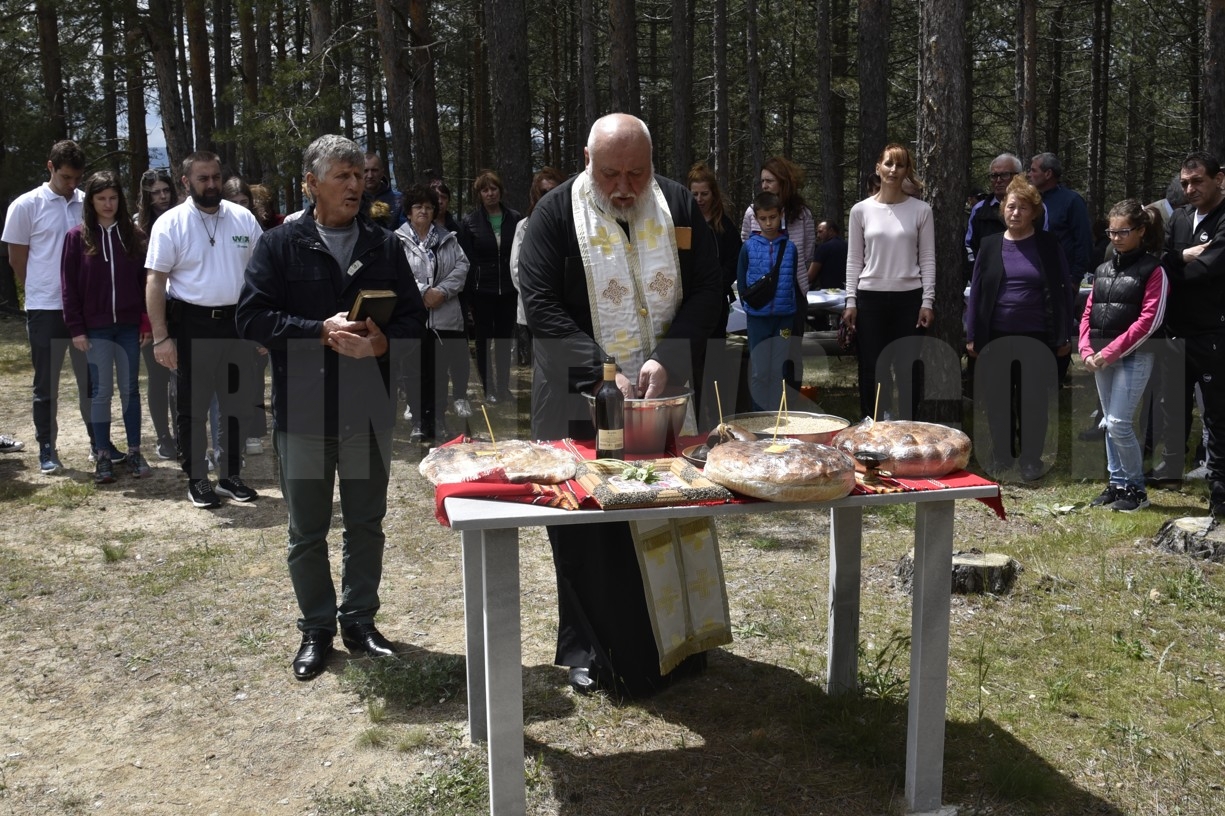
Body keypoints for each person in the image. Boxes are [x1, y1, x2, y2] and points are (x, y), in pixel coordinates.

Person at [518, 113, 724, 697]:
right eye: (611, 174)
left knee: (669, 512)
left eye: (637, 173)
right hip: (579, 400)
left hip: (662, 398)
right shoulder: (554, 215)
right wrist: (607, 374)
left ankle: (676, 645)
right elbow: (541, 307)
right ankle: (591, 648)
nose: (624, 188)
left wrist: (671, 355)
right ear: (587, 159)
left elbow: (709, 285)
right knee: (590, 530)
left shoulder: (678, 207)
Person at [237, 134, 426, 681]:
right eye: (341, 175)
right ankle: (317, 628)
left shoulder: (385, 245)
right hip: (304, 410)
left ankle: (360, 621)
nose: (355, 184)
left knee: (367, 522)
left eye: (359, 174)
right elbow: (251, 319)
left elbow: (414, 323)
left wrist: (381, 345)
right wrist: (315, 330)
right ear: (310, 184)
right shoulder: (279, 244)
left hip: (368, 409)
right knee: (307, 529)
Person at [145, 151, 263, 508]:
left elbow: (263, 274)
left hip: (237, 324)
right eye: (203, 178)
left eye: (215, 177)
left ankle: (229, 476)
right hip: (191, 324)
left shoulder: (242, 218)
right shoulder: (170, 223)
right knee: (192, 408)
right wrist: (162, 337)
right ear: (186, 182)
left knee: (236, 404)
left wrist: (262, 326)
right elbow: (155, 280)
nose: (211, 184)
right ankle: (197, 479)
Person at [965, 176, 1073, 480]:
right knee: (997, 400)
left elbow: (1063, 289)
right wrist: (972, 334)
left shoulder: (1048, 245)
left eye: (1023, 208)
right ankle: (1001, 456)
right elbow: (976, 293)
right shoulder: (989, 246)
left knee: (1033, 401)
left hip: (1037, 335)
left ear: (1034, 213)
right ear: (1003, 210)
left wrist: (1065, 332)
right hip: (995, 335)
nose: (1016, 213)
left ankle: (1030, 459)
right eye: (1011, 207)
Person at [2, 139, 97, 474]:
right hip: (45, 307)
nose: (72, 185)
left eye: (77, 179)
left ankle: (97, 444)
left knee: (92, 381)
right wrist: (40, 287)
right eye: (66, 177)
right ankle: (47, 449)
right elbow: (17, 258)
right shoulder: (26, 205)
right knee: (47, 385)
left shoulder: (88, 203)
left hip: (85, 309)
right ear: (50, 168)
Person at [60, 171, 153, 484]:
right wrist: (76, 328)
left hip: (128, 326)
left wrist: (145, 320)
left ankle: (135, 451)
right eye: (101, 198)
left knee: (129, 390)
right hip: (95, 328)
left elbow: (145, 283)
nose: (108, 204)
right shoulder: (77, 237)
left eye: (113, 198)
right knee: (101, 392)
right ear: (91, 201)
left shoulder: (135, 235)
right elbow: (68, 287)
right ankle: (102, 455)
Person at [1080, 200, 1168, 512]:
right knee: (1108, 421)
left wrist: (1110, 352)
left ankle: (1137, 490)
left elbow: (1150, 320)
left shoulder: (1153, 270)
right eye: (1111, 232)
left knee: (1118, 421)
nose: (1115, 238)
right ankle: (1117, 484)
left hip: (1134, 355)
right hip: (1101, 355)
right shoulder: (1103, 268)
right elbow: (1089, 309)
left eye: (1123, 232)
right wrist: (1086, 349)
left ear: (1141, 231)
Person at [841, 143, 936, 421]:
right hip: (870, 297)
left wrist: (927, 301)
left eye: (900, 165)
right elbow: (854, 259)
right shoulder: (860, 211)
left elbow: (928, 259)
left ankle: (908, 424)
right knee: (872, 366)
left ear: (907, 170)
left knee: (907, 367)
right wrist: (850, 300)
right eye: (888, 164)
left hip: (909, 298)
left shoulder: (921, 210)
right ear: (878, 168)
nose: (893, 170)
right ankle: (872, 423)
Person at [1161, 151, 1225, 518]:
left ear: (1218, 179)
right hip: (1176, 328)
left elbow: (1211, 270)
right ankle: (1170, 471)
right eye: (1185, 182)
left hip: (1213, 330)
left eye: (1197, 181)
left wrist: (1177, 263)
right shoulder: (1181, 218)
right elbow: (1163, 260)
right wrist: (1183, 256)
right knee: (1173, 405)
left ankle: (1219, 488)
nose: (1190, 188)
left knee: (1216, 412)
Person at [394, 185, 470, 442]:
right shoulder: (396, 240)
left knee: (439, 371)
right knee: (413, 371)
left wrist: (442, 292)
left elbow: (462, 267)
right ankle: (418, 421)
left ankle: (437, 419)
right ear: (408, 212)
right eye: (418, 207)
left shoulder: (449, 238)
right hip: (411, 317)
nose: (424, 211)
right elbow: (395, 274)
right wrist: (424, 292)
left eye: (428, 207)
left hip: (443, 316)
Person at [459, 170, 522, 404]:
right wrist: (468, 295)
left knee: (504, 341)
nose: (490, 193)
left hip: (508, 290)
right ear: (479, 194)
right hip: (481, 292)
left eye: (493, 188)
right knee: (484, 341)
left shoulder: (515, 218)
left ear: (500, 191)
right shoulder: (470, 222)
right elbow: (466, 259)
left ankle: (504, 387)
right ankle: (489, 389)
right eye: (485, 190)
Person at [737, 192, 800, 411]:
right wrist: (750, 308)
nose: (768, 223)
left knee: (778, 370)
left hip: (784, 318)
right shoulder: (748, 248)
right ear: (755, 217)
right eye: (763, 218)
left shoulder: (789, 248)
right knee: (760, 371)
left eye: (773, 217)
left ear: (780, 215)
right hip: (758, 319)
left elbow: (791, 279)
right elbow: (742, 281)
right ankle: (758, 418)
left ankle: (775, 418)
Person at [223, 176, 271, 458]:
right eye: (235, 202)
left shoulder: (256, 230)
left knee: (254, 379)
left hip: (253, 314)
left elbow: (266, 277)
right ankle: (231, 437)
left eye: (244, 202)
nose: (241, 207)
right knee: (230, 382)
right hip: (226, 315)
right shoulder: (215, 228)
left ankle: (254, 432)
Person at [137, 168, 180, 460]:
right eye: (155, 192)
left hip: (180, 311)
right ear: (146, 196)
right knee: (157, 379)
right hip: (149, 316)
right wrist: (147, 322)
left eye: (166, 190)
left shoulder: (181, 221)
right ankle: (163, 437)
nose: (162, 197)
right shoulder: (137, 229)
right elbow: (136, 280)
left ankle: (181, 434)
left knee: (179, 378)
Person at [509, 167, 565, 368]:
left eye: (554, 191)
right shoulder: (524, 226)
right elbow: (517, 271)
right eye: (544, 192)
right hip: (537, 307)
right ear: (535, 194)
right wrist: (541, 298)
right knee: (540, 366)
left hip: (568, 310)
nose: (549, 196)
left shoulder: (573, 225)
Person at [965, 153, 1024, 278]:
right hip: (989, 281)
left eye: (1004, 175)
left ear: (1018, 176)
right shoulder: (979, 210)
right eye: (993, 176)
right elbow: (970, 246)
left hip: (1025, 279)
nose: (998, 180)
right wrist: (978, 275)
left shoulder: (1034, 208)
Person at [362, 152, 398, 228]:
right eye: (365, 170)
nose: (370, 175)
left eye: (374, 170)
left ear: (382, 172)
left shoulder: (398, 200)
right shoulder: (353, 201)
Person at [811, 220, 847, 291]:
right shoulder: (848, 245)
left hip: (828, 292)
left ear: (831, 231)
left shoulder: (823, 247)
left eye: (820, 231)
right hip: (846, 290)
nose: (818, 235)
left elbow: (811, 275)